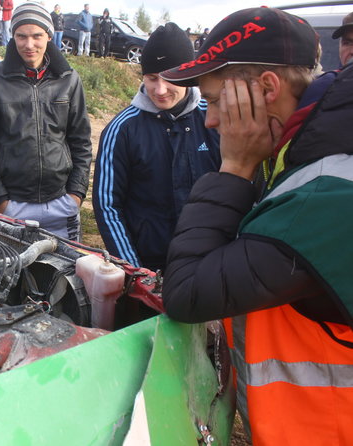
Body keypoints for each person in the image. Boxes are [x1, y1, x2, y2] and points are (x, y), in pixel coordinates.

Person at [159, 7, 353, 445]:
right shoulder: (317, 139)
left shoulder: (332, 184)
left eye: (213, 100)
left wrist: (236, 166)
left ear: (266, 88)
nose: (208, 120)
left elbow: (188, 291)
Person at [93, 23, 220, 272]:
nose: (160, 90)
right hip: (149, 263)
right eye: (152, 79)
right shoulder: (121, 129)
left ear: (188, 75)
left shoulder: (214, 120)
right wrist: (136, 271)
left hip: (208, 261)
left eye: (170, 78)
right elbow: (107, 205)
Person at [0, 2, 92, 240]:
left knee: (65, 275)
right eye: (21, 36)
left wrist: (75, 194)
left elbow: (81, 142)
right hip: (12, 207)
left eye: (37, 36)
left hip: (62, 204)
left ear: (48, 34)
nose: (29, 45)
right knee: (12, 275)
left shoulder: (69, 79)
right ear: (12, 36)